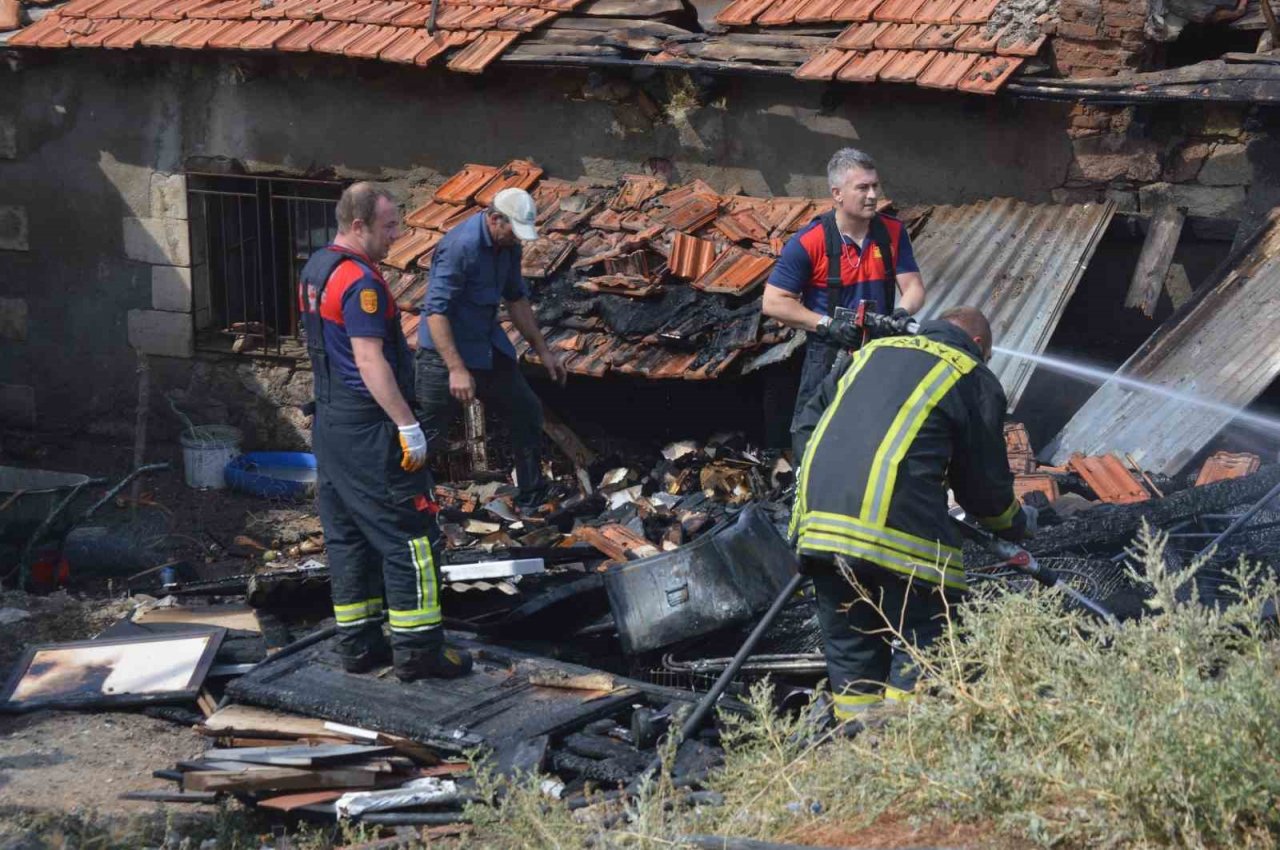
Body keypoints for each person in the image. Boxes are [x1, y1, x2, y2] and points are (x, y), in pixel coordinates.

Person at [790, 306, 1033, 725]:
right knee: (922, 642)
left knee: (852, 651)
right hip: (900, 540)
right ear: (978, 346)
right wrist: (1016, 523)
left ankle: (860, 754)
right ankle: (907, 749)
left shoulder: (869, 353)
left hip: (819, 529)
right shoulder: (970, 374)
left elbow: (804, 427)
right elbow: (984, 488)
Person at [299, 182, 472, 682]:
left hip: (330, 427)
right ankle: (419, 653)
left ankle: (358, 646)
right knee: (411, 538)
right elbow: (369, 360)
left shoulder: (317, 268)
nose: (397, 235)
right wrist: (407, 424)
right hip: (369, 429)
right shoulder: (362, 285)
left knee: (348, 537)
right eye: (389, 226)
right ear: (359, 226)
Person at [416, 187, 567, 511]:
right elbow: (436, 312)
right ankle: (409, 506)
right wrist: (456, 369)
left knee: (526, 409)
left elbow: (516, 299)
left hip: (486, 344)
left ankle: (531, 496)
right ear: (495, 218)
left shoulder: (508, 246)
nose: (517, 239)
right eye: (513, 231)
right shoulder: (461, 247)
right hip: (445, 354)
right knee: (429, 433)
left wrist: (543, 350)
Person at [762, 147, 926, 432]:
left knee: (877, 431)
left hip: (878, 352)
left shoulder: (892, 233)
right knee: (815, 431)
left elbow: (913, 287)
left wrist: (902, 311)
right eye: (862, 188)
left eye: (875, 186)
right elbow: (774, 302)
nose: (873, 195)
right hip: (827, 355)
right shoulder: (809, 242)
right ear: (837, 193)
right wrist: (826, 324)